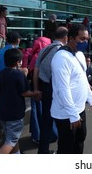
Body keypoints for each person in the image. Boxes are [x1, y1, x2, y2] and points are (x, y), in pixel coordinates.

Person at [50, 23, 92, 154]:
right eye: (82, 39)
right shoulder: (61, 58)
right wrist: (72, 115)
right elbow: (62, 89)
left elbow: (82, 79)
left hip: (79, 110)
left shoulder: (79, 55)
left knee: (80, 141)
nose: (85, 42)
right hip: (66, 114)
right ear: (70, 38)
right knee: (67, 147)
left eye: (86, 39)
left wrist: (90, 98)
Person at [0, 48, 41, 154]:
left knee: (11, 138)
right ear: (18, 62)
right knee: (11, 140)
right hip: (15, 113)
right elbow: (25, 92)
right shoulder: (19, 75)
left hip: (2, 112)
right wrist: (36, 93)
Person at [32, 26, 68, 154]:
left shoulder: (44, 49)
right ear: (65, 38)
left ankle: (43, 151)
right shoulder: (63, 51)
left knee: (46, 121)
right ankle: (62, 151)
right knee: (63, 122)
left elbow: (36, 70)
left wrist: (36, 89)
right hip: (58, 90)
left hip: (44, 89)